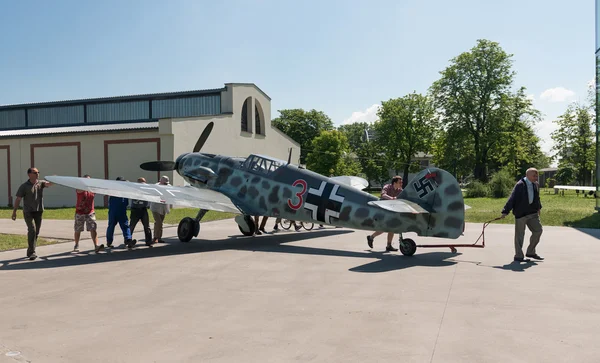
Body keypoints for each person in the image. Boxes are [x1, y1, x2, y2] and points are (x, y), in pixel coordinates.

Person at [501, 168, 544, 262]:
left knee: (538, 231)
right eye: (534, 176)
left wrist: (538, 208)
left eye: (537, 176)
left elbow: (537, 197)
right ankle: (518, 256)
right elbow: (512, 198)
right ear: (528, 175)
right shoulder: (520, 185)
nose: (536, 177)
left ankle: (531, 252)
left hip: (532, 213)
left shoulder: (536, 184)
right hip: (521, 214)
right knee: (519, 236)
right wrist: (505, 211)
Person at [12, 167, 53, 260]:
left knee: (36, 232)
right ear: (29, 174)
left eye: (38, 172)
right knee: (32, 230)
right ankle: (32, 252)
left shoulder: (41, 183)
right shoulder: (24, 186)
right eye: (35, 172)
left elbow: (49, 184)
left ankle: (30, 250)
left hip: (38, 211)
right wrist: (14, 212)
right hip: (28, 211)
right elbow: (18, 199)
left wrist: (55, 179)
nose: (37, 174)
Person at [366, 176, 403, 252]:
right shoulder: (387, 187)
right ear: (395, 183)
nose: (401, 183)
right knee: (385, 228)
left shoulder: (400, 190)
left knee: (391, 227)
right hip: (382, 210)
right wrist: (392, 198)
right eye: (400, 182)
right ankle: (371, 237)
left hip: (391, 210)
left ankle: (388, 245)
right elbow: (383, 195)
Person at [73, 174, 104, 253]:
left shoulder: (92, 190)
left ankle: (96, 246)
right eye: (86, 180)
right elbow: (79, 190)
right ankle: (76, 244)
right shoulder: (80, 188)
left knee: (93, 228)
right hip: (80, 212)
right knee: (78, 229)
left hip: (90, 212)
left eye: (89, 180)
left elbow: (100, 189)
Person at [106, 176, 134, 248]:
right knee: (123, 226)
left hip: (114, 211)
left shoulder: (113, 189)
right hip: (119, 211)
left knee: (112, 226)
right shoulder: (122, 191)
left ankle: (110, 242)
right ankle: (128, 239)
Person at [130, 177, 154, 246]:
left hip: (143, 209)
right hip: (135, 209)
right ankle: (128, 240)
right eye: (142, 183)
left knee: (147, 226)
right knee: (132, 226)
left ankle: (148, 241)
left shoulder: (146, 190)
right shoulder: (134, 190)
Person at [150, 175, 172, 244]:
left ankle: (159, 237)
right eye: (165, 183)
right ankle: (155, 237)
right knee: (158, 222)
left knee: (160, 223)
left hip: (163, 208)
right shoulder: (156, 187)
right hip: (155, 208)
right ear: (161, 182)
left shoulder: (169, 187)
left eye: (166, 183)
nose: (166, 184)